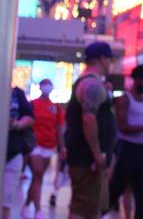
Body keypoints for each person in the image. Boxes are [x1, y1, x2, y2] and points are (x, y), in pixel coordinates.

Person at [64, 42, 117, 219]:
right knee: (83, 208)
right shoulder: (91, 85)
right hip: (87, 159)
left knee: (87, 206)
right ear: (102, 59)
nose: (111, 63)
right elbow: (89, 120)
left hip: (86, 157)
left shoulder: (87, 83)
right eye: (110, 59)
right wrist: (97, 154)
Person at [108, 64, 143, 219]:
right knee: (117, 188)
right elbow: (123, 126)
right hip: (127, 148)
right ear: (137, 80)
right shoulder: (125, 99)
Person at [23, 79, 63, 219]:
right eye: (45, 84)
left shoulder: (56, 107)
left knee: (36, 177)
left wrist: (61, 147)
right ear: (40, 87)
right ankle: (38, 209)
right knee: (38, 174)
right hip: (34, 145)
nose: (47, 87)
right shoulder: (33, 104)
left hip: (49, 145)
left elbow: (59, 127)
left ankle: (27, 205)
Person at [5, 86, 34, 219]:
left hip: (12, 153)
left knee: (6, 200)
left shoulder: (17, 93)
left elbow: (29, 117)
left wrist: (17, 124)